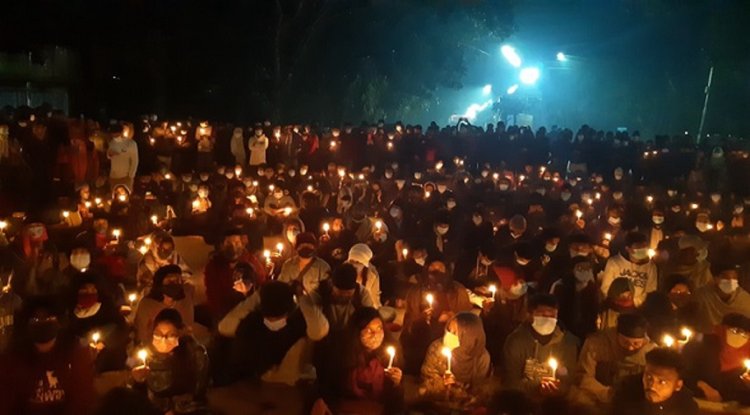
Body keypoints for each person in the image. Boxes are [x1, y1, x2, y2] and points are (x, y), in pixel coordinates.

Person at [0, 296, 95, 415]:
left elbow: (83, 399)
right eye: (35, 320)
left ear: (59, 321)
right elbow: (6, 402)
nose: (42, 322)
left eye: (49, 318)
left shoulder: (76, 352)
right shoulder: (12, 357)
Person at [312, 307, 404, 415]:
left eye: (379, 328)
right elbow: (328, 388)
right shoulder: (342, 354)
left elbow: (395, 403)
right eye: (369, 330)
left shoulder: (390, 357)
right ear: (357, 332)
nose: (376, 335)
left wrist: (397, 384)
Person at [130, 308, 210, 414]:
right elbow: (135, 396)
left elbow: (200, 392)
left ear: (180, 334)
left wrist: (176, 410)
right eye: (158, 334)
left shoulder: (195, 353)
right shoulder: (143, 354)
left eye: (170, 335)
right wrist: (137, 381)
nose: (163, 339)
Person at [401, 260, 473, 374]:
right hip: (423, 338)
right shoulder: (416, 291)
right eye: (432, 268)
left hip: (452, 338)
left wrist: (453, 318)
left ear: (447, 271)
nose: (436, 272)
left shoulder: (458, 290)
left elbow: (469, 322)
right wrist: (422, 318)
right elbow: (408, 324)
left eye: (440, 268)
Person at [503, 294, 580, 396]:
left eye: (552, 316)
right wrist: (537, 386)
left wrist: (557, 387)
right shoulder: (515, 341)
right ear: (530, 315)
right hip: (523, 399)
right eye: (543, 315)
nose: (548, 319)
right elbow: (511, 382)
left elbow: (569, 379)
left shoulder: (567, 342)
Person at [575, 313, 656, 406]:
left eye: (636, 344)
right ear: (617, 335)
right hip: (599, 395)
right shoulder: (597, 343)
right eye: (625, 342)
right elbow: (583, 375)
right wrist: (607, 394)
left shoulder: (651, 352)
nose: (630, 348)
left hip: (633, 400)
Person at [419, 312, 491, 409]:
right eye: (448, 330)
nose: (448, 335)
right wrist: (442, 384)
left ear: (469, 337)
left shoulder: (482, 358)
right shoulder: (437, 348)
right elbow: (426, 382)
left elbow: (481, 392)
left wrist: (456, 387)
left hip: (468, 408)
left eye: (454, 332)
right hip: (440, 405)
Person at [683, 313, 750, 405]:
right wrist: (703, 385)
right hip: (697, 396)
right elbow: (682, 372)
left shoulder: (745, 352)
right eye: (735, 331)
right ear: (722, 329)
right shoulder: (701, 344)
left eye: (745, 334)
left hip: (727, 399)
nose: (740, 336)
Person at [68, 273, 129, 373]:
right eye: (84, 289)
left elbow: (122, 329)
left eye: (93, 290)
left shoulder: (107, 308)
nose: (89, 293)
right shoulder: (70, 313)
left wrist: (105, 343)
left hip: (108, 366)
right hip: (81, 366)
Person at [611, 348, 698, 415]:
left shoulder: (685, 406)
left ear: (678, 385)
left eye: (662, 382)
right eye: (649, 377)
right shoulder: (626, 392)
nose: (652, 385)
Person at [204, 230, 266, 320]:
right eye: (229, 243)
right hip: (226, 314)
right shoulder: (213, 266)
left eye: (237, 243)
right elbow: (213, 297)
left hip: (251, 311)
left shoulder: (251, 261)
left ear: (242, 244)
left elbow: (262, 283)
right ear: (221, 245)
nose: (233, 247)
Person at [134, 265, 195, 345]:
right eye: (170, 280)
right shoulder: (147, 305)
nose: (175, 284)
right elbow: (142, 334)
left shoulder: (185, 299)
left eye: (178, 280)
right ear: (159, 283)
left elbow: (188, 328)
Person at [599, 232, 657, 307]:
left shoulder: (651, 267)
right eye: (638, 247)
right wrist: (617, 301)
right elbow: (606, 287)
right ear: (628, 249)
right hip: (615, 306)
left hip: (638, 309)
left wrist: (635, 302)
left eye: (644, 247)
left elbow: (651, 290)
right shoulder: (614, 262)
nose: (642, 250)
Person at [693, 261, 750, 333]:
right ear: (715, 279)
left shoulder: (745, 300)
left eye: (734, 278)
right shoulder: (702, 295)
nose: (731, 281)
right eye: (726, 277)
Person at [551, 256, 599, 340]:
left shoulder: (593, 289)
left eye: (587, 268)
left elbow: (594, 313)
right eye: (580, 268)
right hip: (563, 332)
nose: (584, 271)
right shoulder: (560, 286)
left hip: (586, 334)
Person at [346, 243, 382, 308]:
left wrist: (377, 314)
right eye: (351, 261)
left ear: (364, 264)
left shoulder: (372, 276)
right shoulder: (341, 272)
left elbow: (374, 298)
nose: (354, 265)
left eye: (357, 262)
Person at [107, 123, 138, 191]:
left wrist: (131, 176)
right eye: (113, 135)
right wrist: (109, 154)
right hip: (113, 176)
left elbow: (135, 161)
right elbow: (109, 155)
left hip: (126, 177)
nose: (115, 137)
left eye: (117, 135)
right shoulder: (112, 143)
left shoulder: (131, 144)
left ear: (121, 132)